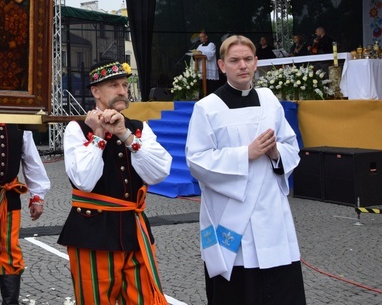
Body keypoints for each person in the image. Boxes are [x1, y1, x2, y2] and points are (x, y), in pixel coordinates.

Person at [185, 35, 306, 304]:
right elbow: (196, 160)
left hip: (271, 214)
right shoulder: (207, 108)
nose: (243, 65)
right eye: (235, 60)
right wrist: (245, 155)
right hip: (231, 214)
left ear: (256, 62)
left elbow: (290, 144)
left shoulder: (269, 100)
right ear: (222, 65)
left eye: (248, 59)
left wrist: (276, 154)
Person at [57, 60, 172, 305]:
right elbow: (84, 181)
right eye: (113, 85)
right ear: (95, 92)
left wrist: (125, 135)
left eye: (124, 85)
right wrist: (98, 134)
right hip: (92, 233)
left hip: (135, 232)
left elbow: (159, 172)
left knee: (145, 300)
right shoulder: (77, 129)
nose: (122, 91)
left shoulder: (138, 128)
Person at [0, 123, 50, 305]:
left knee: (10, 250)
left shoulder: (20, 124)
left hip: (8, 197)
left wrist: (37, 196)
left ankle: (10, 302)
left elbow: (31, 159)